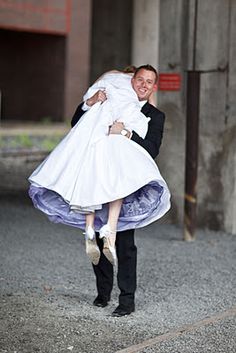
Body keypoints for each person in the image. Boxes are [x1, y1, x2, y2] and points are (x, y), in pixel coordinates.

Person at [70, 64, 169, 317]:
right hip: (101, 177)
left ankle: (126, 300)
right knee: (98, 237)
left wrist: (125, 133)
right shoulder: (111, 101)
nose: (143, 85)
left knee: (125, 243)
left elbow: (152, 149)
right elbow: (77, 124)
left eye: (149, 82)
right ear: (131, 81)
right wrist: (91, 102)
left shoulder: (155, 115)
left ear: (153, 87)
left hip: (128, 187)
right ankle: (103, 293)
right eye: (140, 80)